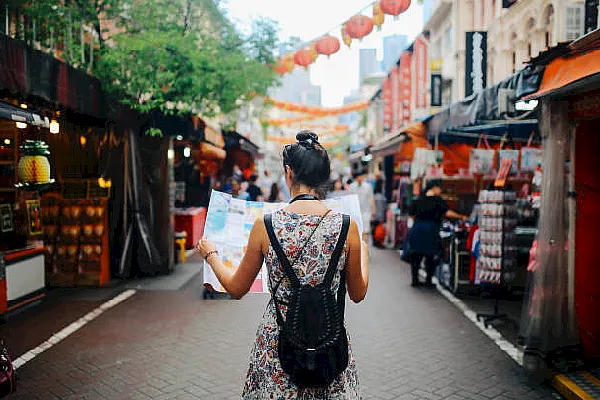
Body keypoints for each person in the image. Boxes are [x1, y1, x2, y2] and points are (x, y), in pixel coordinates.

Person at [196, 131, 368, 399]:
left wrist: (211, 254)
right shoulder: (348, 227)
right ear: (323, 177)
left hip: (278, 347)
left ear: (289, 173)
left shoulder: (265, 226)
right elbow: (357, 294)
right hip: (328, 345)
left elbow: (235, 288)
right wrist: (364, 252)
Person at [406, 179, 468, 288]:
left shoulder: (418, 199)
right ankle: (428, 280)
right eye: (439, 188)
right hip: (431, 230)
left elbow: (411, 215)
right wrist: (461, 216)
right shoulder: (438, 200)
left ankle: (415, 280)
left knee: (416, 256)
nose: (440, 190)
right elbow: (447, 212)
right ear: (434, 188)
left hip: (417, 229)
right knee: (431, 256)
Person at [350, 172, 375, 242]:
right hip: (355, 212)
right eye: (358, 177)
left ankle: (364, 247)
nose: (359, 178)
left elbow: (371, 198)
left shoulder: (368, 186)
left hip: (366, 211)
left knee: (365, 231)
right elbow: (350, 199)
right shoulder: (352, 186)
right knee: (356, 231)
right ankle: (358, 248)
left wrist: (373, 211)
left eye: (361, 176)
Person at [372, 179, 387, 247]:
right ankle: (378, 242)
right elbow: (381, 207)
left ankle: (375, 242)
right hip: (379, 215)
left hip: (375, 215)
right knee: (378, 230)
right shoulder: (380, 195)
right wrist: (381, 217)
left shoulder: (375, 194)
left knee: (375, 229)